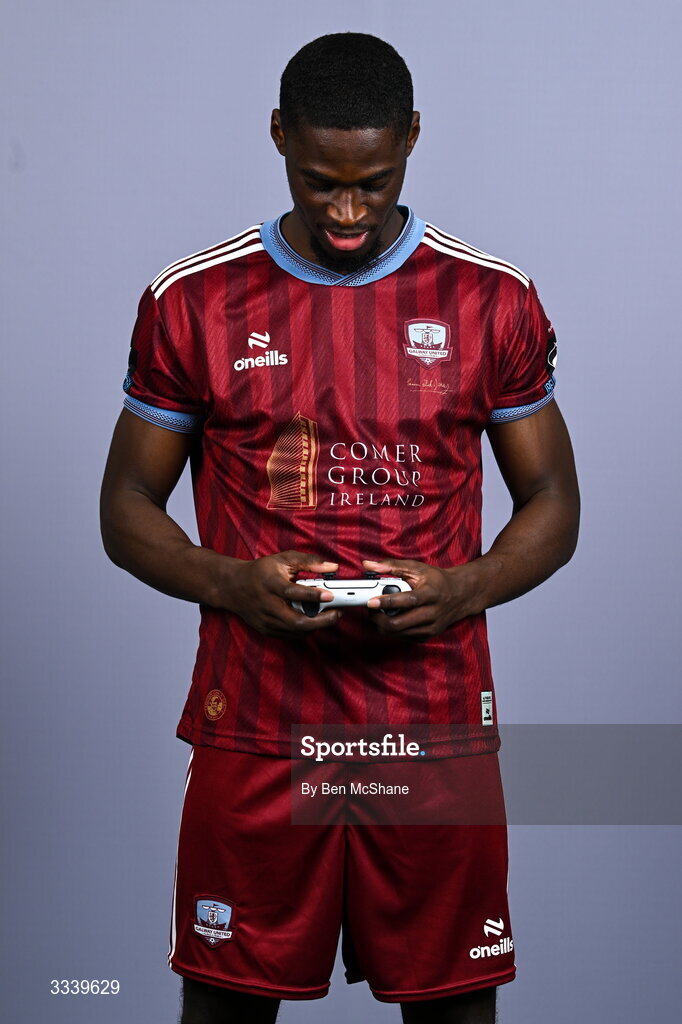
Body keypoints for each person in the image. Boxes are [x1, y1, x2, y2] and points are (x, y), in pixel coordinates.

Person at [100, 32, 579, 1024]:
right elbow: (124, 508)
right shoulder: (193, 302)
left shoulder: (490, 300)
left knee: (452, 1010)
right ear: (279, 137)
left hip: (430, 728)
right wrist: (233, 582)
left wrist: (465, 588)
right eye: (321, 183)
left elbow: (553, 505)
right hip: (261, 726)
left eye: (374, 180)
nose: (349, 211)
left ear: (411, 139)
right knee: (226, 1007)